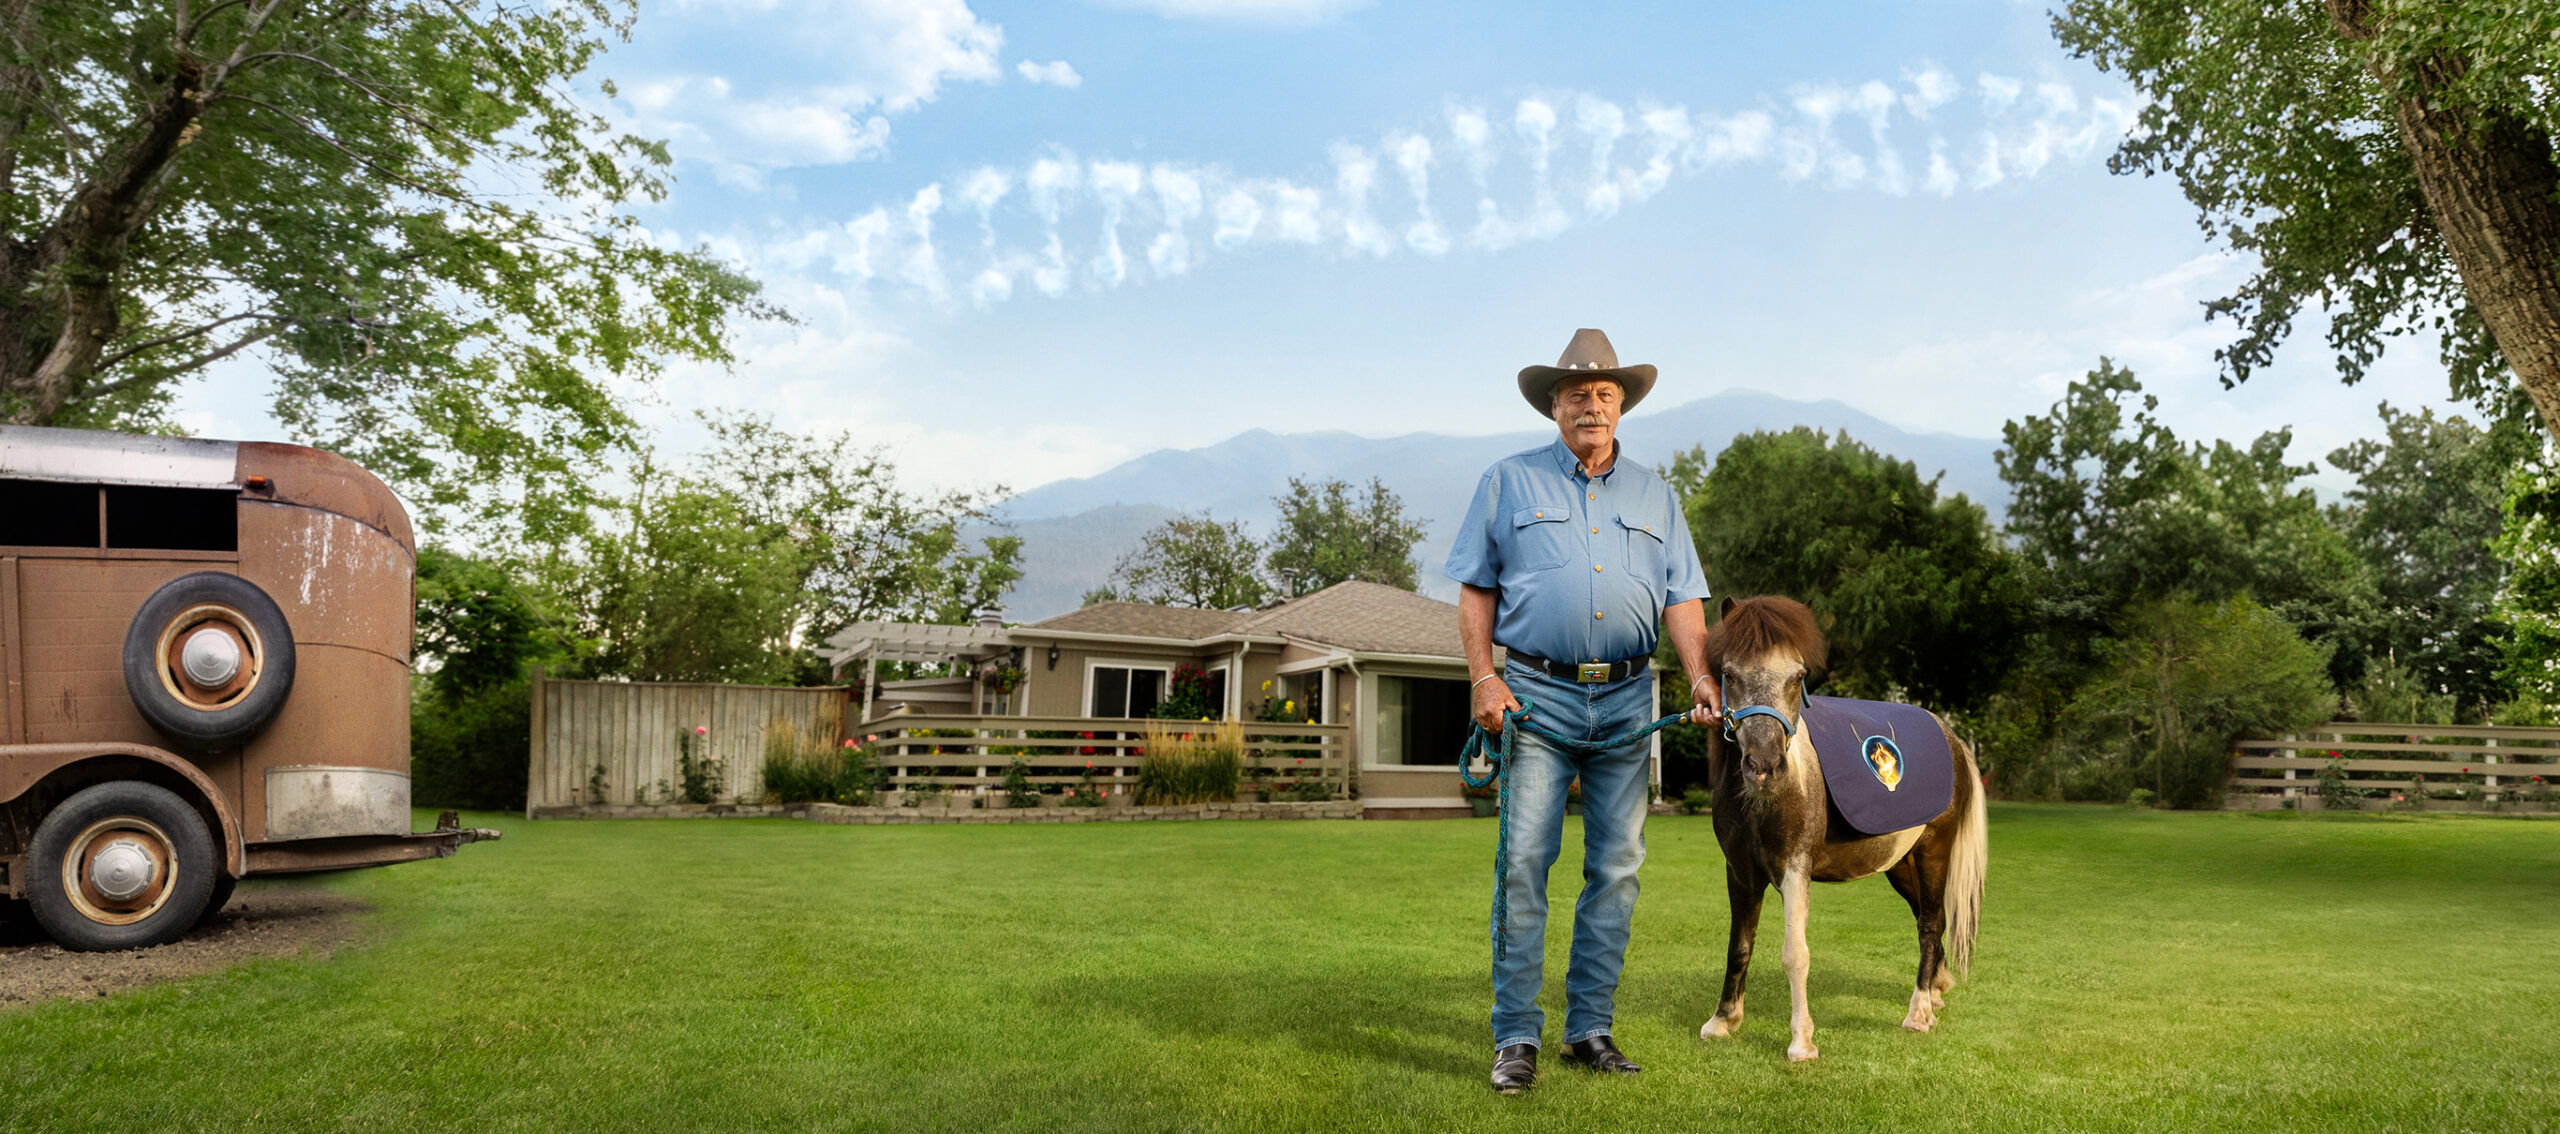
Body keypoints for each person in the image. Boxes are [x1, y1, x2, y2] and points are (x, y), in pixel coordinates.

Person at [1444, 328, 1720, 1095]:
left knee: (1618, 870)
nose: (1590, 406)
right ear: (1554, 407)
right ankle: (1516, 1037)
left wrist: (1700, 675)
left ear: (1621, 407)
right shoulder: (1508, 482)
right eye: (1576, 395)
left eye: (1604, 394)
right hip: (1536, 700)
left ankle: (1589, 1027)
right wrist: (1483, 679)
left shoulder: (1657, 495)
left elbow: (1683, 600)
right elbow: (1476, 590)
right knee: (1525, 865)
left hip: (1630, 702)